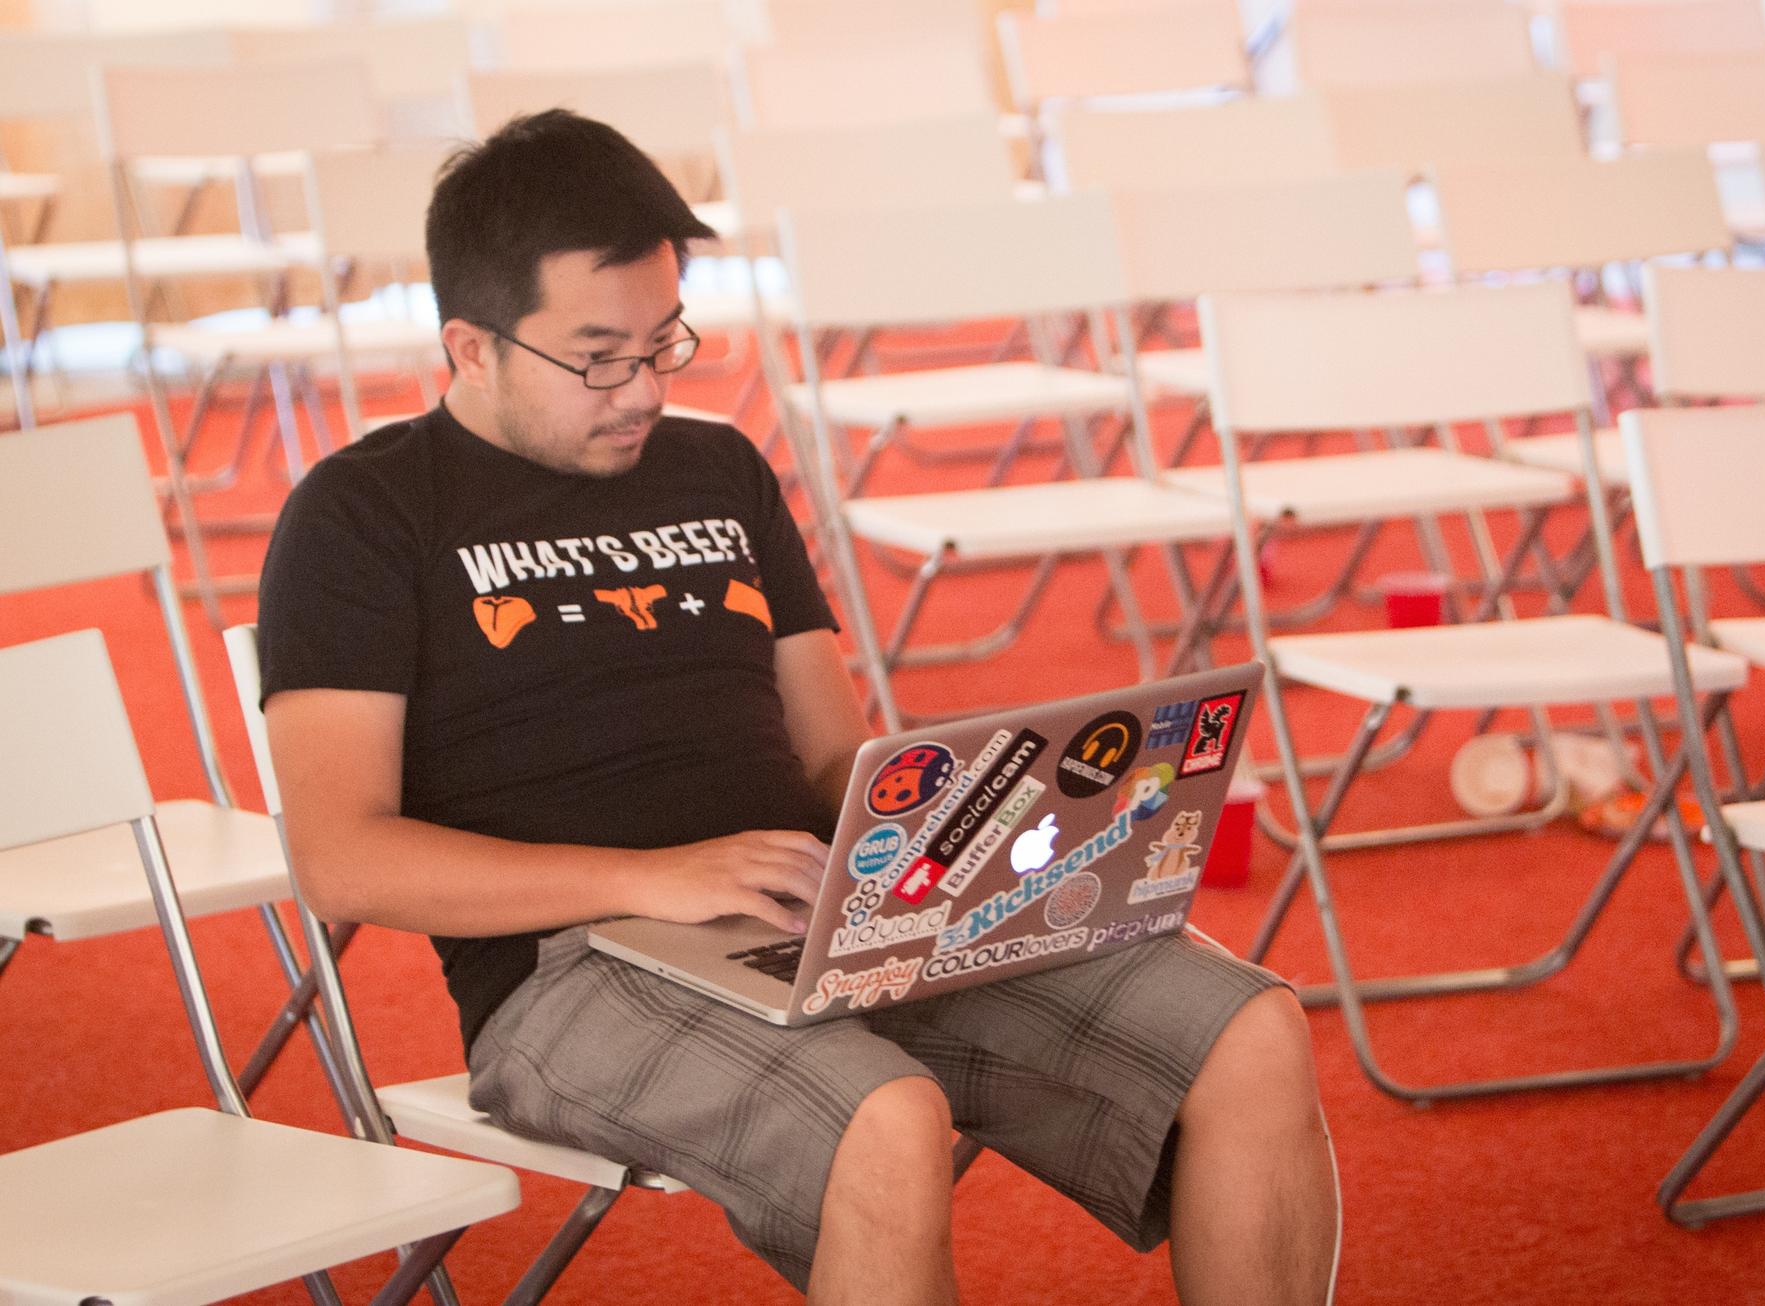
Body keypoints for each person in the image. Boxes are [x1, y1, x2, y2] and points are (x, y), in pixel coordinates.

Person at [258, 110, 1338, 1305]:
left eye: (666, 341)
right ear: (469, 347)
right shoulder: (363, 517)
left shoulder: (717, 468)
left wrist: (979, 807)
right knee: (886, 1118)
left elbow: (831, 756)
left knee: (1249, 1032)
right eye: (599, 356)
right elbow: (342, 859)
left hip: (825, 912)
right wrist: (654, 878)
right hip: (567, 968)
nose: (642, 391)